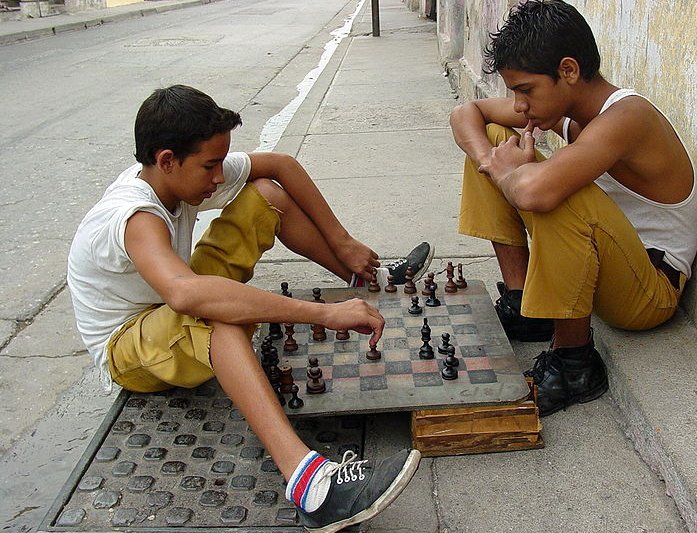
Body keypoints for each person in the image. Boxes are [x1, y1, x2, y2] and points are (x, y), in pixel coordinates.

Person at [67, 85, 432, 532]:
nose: (219, 177)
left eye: (222, 162)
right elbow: (185, 296)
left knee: (264, 195)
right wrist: (322, 314)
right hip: (128, 347)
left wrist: (342, 240)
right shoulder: (134, 215)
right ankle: (311, 487)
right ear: (166, 160)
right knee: (216, 317)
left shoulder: (176, 177)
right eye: (209, 166)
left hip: (167, 302)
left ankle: (368, 279)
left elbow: (280, 166)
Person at [449, 0, 697, 417]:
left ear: (568, 71)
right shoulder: (570, 115)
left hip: (648, 293)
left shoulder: (628, 116)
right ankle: (523, 304)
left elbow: (535, 195)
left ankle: (574, 361)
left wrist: (509, 173)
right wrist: (493, 162)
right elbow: (465, 113)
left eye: (526, 90)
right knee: (494, 140)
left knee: (557, 192)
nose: (519, 105)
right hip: (610, 269)